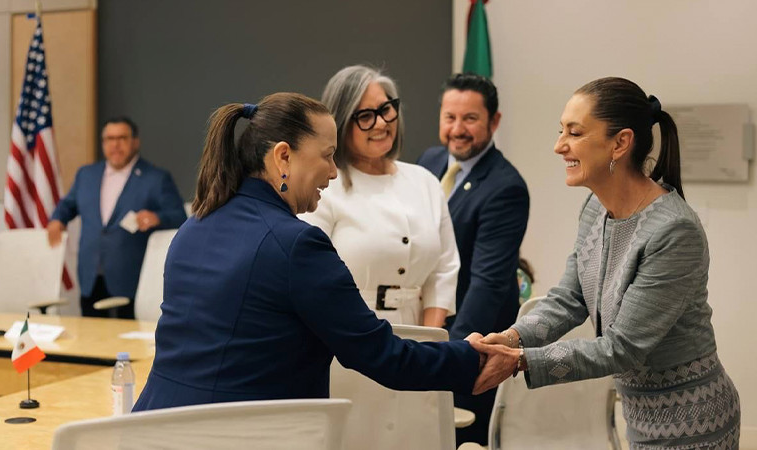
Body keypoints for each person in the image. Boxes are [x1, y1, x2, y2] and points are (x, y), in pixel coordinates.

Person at [133, 93, 498, 412]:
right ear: (283, 157)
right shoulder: (296, 246)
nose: (333, 172)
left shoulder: (193, 227)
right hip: (240, 433)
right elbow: (381, 356)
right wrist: (472, 356)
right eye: (327, 156)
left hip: (158, 428)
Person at [476, 77, 740, 449]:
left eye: (575, 132)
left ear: (620, 143)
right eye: (560, 130)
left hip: (694, 424)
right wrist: (510, 338)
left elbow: (622, 347)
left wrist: (520, 360)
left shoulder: (674, 230)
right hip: (641, 420)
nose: (558, 145)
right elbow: (569, 299)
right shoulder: (595, 208)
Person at [417, 73, 529, 445]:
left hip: (471, 340)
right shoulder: (428, 163)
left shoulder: (505, 187)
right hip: (426, 328)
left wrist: (452, 355)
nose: (457, 129)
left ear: (494, 122)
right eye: (450, 117)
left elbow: (488, 283)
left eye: (470, 119)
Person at [300, 65, 458, 327]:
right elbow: (311, 275)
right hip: (346, 333)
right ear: (340, 123)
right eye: (365, 116)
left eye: (386, 109)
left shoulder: (425, 182)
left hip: (418, 335)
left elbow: (444, 270)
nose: (382, 123)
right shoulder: (324, 188)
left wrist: (431, 341)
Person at [47, 117, 187, 319]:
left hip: (131, 278)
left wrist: (157, 217)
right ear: (103, 143)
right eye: (109, 139)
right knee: (90, 340)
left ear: (135, 142)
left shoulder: (156, 178)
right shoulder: (86, 175)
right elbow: (68, 205)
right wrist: (57, 220)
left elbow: (179, 218)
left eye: (122, 138)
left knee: (125, 344)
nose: (115, 144)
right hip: (90, 275)